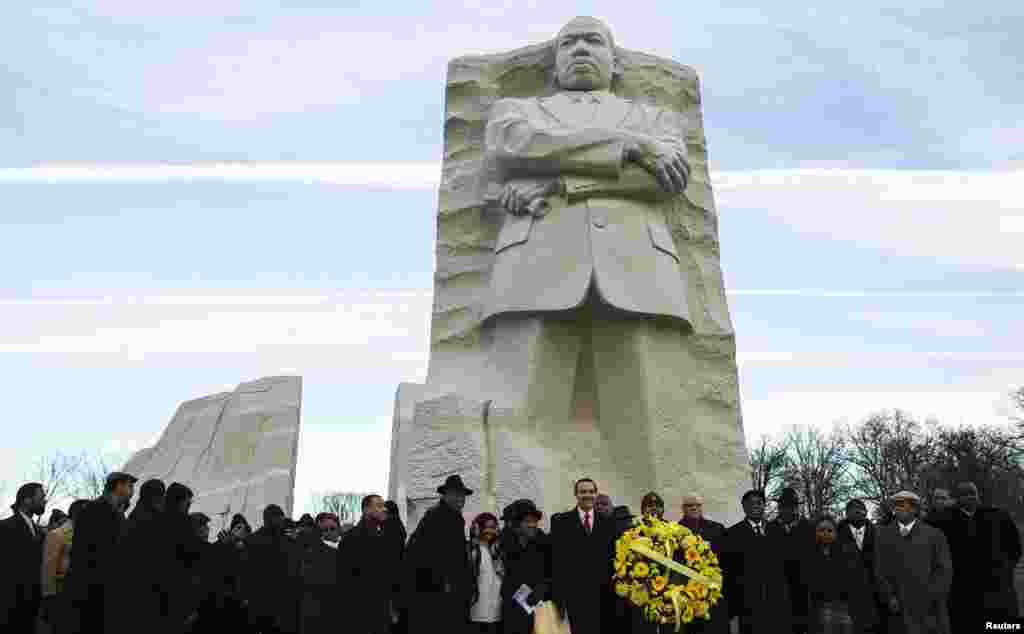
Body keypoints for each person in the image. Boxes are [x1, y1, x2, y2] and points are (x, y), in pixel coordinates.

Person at [477, 15, 706, 517]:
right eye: (569, 42)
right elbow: (514, 147)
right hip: (532, 270)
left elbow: (662, 183)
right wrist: (628, 147)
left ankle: (665, 540)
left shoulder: (656, 117)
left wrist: (560, 184)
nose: (580, 48)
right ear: (554, 60)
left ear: (615, 59)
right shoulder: (518, 111)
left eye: (593, 40)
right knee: (520, 418)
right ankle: (519, 532)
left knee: (652, 424)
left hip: (639, 272)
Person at [929, 481, 1021, 629]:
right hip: (962, 590)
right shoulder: (943, 520)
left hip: (998, 587)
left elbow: (1014, 546)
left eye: (973, 493)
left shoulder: (998, 516)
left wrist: (1006, 568)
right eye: (964, 494)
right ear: (956, 499)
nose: (970, 497)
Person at [65, 471, 136, 634]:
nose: (132, 491)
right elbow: (97, 553)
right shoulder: (96, 510)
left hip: (104, 591)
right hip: (93, 593)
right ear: (118, 486)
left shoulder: (115, 512)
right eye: (130, 486)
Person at [873, 491, 952, 634]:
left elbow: (944, 571)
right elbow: (879, 569)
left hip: (928, 611)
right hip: (897, 610)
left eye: (905, 505)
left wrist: (930, 596)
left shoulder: (934, 535)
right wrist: (889, 596)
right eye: (897, 505)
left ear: (915, 509)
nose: (900, 508)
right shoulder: (882, 535)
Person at [406, 475, 473, 634]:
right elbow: (419, 554)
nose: (461, 499)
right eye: (456, 494)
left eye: (462, 495)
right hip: (437, 593)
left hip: (451, 591)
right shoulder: (435, 516)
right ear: (445, 495)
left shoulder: (455, 517)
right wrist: (442, 581)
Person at [550, 477, 615, 634]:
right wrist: (559, 598)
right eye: (583, 492)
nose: (587, 495)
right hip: (573, 597)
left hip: (602, 598)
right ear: (576, 494)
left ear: (596, 494)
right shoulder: (562, 523)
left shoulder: (607, 523)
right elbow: (557, 561)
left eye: (591, 492)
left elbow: (611, 560)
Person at [722, 489, 791, 634]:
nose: (755, 506)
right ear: (744, 507)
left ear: (764, 506)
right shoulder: (732, 534)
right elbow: (729, 572)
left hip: (776, 601)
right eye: (750, 503)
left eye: (759, 503)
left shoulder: (777, 531)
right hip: (747, 604)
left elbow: (786, 567)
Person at [338, 494, 403, 634]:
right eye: (379, 505)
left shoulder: (385, 535)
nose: (384, 509)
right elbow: (344, 577)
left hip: (381, 608)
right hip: (359, 609)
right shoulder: (351, 538)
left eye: (384, 505)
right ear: (366, 510)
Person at [802, 515, 877, 634]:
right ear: (815, 533)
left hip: (846, 608)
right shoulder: (809, 555)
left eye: (829, 530)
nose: (825, 533)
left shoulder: (848, 552)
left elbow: (860, 583)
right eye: (821, 530)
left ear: (836, 533)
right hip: (821, 608)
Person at [246, 504, 301, 634]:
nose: (282, 522)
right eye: (280, 519)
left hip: (265, 601)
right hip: (274, 601)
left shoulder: (252, 540)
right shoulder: (285, 540)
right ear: (273, 519)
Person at [0, 481, 47, 632]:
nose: (44, 500)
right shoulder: (5, 528)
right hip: (9, 608)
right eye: (41, 496)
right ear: (27, 500)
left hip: (33, 607)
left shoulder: (39, 532)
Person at [500, 500, 552, 634]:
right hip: (512, 606)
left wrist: (543, 587)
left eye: (535, 521)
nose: (532, 525)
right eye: (527, 521)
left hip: (537, 605)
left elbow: (552, 570)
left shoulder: (543, 541)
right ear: (517, 524)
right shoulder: (504, 541)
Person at [679, 494, 728, 634]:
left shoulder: (717, 529)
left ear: (702, 507)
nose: (694, 508)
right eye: (689, 505)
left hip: (713, 592)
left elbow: (725, 561)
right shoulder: (675, 530)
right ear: (683, 509)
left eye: (697, 505)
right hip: (688, 594)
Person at [768, 488, 815, 634]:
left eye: (793, 506)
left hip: (803, 589)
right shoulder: (770, 528)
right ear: (780, 508)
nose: (789, 510)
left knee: (801, 626)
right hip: (777, 588)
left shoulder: (809, 527)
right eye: (785, 506)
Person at [39, 498, 89, 633]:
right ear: (78, 514)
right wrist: (49, 600)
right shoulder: (57, 534)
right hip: (60, 597)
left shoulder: (85, 534)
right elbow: (48, 569)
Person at [297, 512, 340, 634]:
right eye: (324, 529)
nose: (328, 532)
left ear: (338, 529)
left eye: (332, 528)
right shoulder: (311, 552)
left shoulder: (346, 550)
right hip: (316, 611)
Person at [467, 513, 504, 634]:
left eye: (493, 527)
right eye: (487, 527)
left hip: (497, 613)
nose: (490, 531)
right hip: (477, 614)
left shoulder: (498, 551)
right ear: (478, 528)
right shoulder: (472, 550)